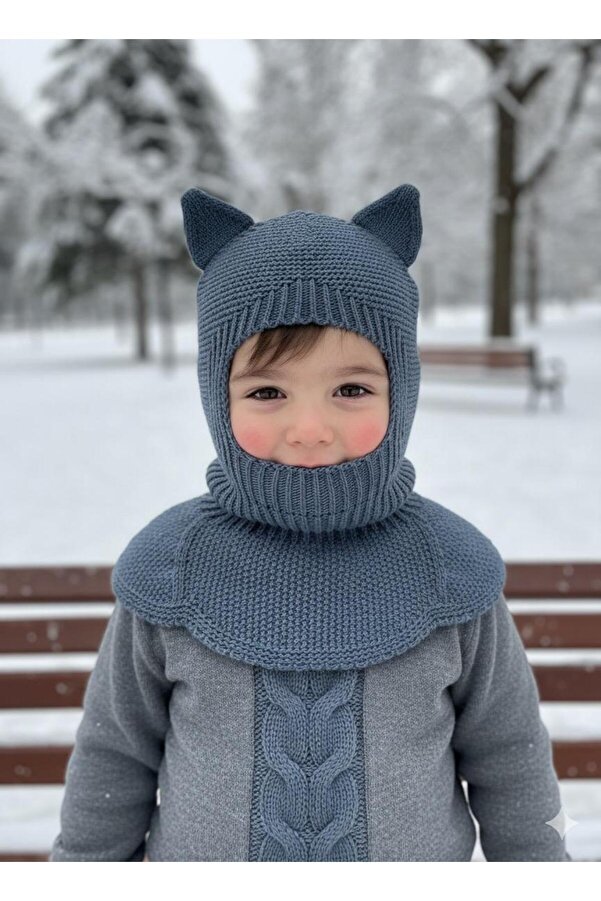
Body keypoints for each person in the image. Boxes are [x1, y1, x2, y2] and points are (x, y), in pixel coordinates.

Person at [49, 183, 571, 862]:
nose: (309, 428)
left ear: (400, 389)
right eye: (267, 391)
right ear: (217, 394)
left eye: (350, 389)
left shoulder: (449, 572)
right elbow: (112, 762)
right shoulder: (170, 572)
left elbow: (511, 766)